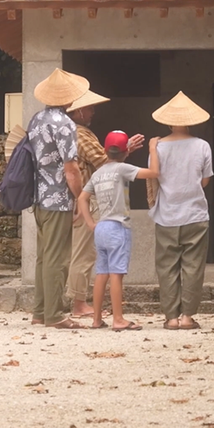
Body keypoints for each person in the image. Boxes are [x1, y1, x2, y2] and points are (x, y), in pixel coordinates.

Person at [65, 89, 145, 317]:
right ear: (79, 112)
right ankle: (79, 303)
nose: (92, 112)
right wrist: (125, 149)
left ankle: (86, 305)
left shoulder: (71, 132)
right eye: (89, 108)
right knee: (84, 254)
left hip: (85, 200)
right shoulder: (80, 134)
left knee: (93, 258)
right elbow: (104, 162)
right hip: (89, 201)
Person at [77, 130, 159, 332]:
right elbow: (154, 173)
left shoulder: (98, 173)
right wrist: (152, 149)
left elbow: (82, 198)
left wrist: (90, 223)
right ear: (126, 152)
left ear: (105, 150)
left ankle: (97, 319)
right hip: (118, 227)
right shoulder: (122, 169)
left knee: (101, 273)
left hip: (101, 227)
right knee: (116, 274)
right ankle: (118, 319)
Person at [28, 68, 91, 329]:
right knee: (58, 258)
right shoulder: (65, 124)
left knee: (44, 256)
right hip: (58, 198)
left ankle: (40, 311)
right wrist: (80, 197)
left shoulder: (37, 119)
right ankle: (54, 315)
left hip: (38, 196)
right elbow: (71, 169)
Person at [147, 92, 214, 331]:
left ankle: (171, 318)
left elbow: (153, 176)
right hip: (195, 213)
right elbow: (205, 180)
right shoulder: (202, 146)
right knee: (193, 267)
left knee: (166, 267)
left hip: (167, 214)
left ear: (168, 122)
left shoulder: (158, 147)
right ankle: (187, 316)